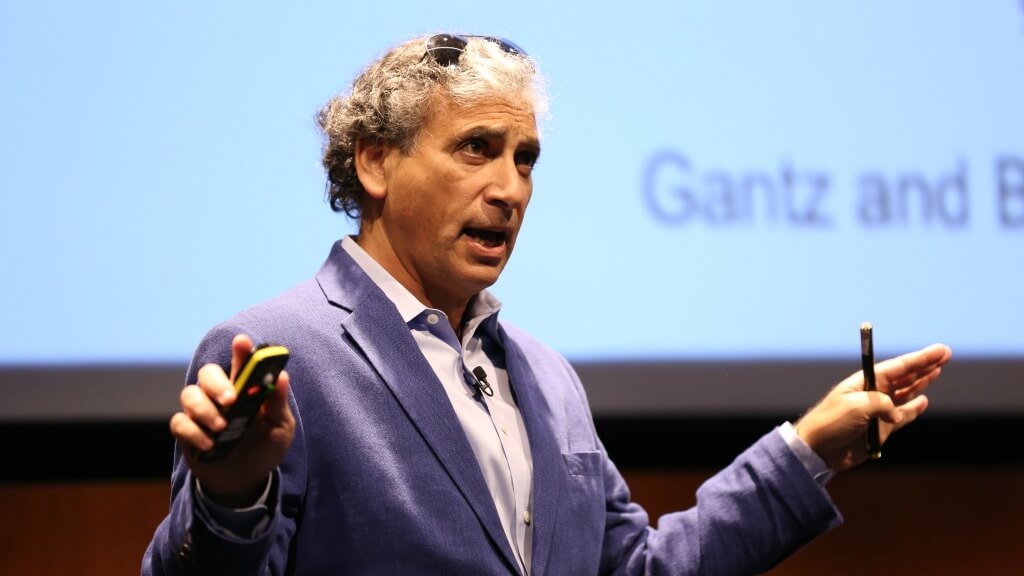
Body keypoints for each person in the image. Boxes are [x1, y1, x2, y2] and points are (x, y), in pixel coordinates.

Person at [142, 34, 952, 575]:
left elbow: (637, 568)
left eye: (525, 159)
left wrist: (809, 449)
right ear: (377, 162)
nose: (510, 190)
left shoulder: (546, 376)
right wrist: (230, 498)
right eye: (477, 150)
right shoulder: (277, 351)